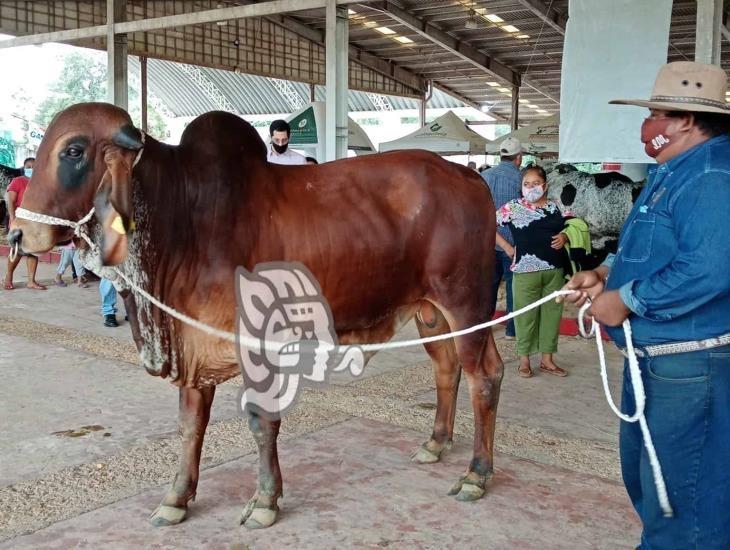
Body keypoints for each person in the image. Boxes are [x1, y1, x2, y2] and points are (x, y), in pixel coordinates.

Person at [562, 61, 730, 549]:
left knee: (684, 498)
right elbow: (653, 248)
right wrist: (606, 274)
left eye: (656, 114)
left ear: (684, 120)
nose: (647, 126)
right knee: (653, 484)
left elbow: (711, 268)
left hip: (690, 363)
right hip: (658, 363)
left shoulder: (712, 174)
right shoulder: (672, 172)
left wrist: (627, 300)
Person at [496, 165, 569, 378]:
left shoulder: (556, 207)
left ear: (545, 186)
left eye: (535, 184)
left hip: (554, 270)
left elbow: (571, 225)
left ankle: (547, 359)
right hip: (525, 271)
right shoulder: (513, 207)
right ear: (521, 187)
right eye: (526, 184)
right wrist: (508, 248)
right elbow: (489, 224)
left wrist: (565, 237)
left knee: (551, 315)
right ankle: (524, 360)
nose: (531, 188)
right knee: (525, 316)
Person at [481, 137, 524, 339]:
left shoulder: (484, 176)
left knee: (487, 285)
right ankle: (512, 330)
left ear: (501, 155)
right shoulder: (522, 180)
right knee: (513, 287)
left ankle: (482, 326)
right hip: (513, 244)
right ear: (519, 158)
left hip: (486, 242)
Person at [3, 157, 46, 290]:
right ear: (24, 168)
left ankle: (31, 281)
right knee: (17, 251)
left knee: (33, 252)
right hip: (20, 221)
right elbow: (10, 201)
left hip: (35, 222)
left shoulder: (40, 184)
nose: (31, 169)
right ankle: (8, 278)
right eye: (28, 167)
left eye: (34, 167)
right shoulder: (18, 181)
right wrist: (13, 218)